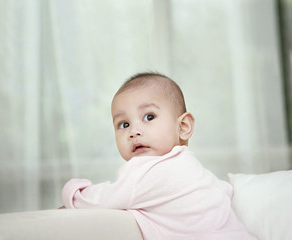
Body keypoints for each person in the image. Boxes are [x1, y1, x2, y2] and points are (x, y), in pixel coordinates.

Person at [61, 72, 256, 240]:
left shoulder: (145, 172)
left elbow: (100, 200)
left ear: (183, 126)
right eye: (124, 124)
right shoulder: (192, 168)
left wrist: (74, 192)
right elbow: (223, 192)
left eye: (149, 117)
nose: (134, 131)